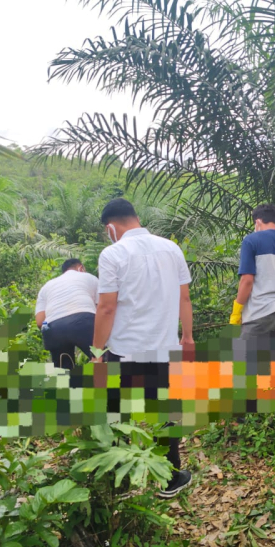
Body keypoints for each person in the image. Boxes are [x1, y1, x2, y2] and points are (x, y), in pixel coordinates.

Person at [92, 198, 194, 498]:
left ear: (111, 227)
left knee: (116, 411)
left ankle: (120, 483)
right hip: (164, 347)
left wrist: (97, 352)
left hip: (124, 350)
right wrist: (187, 337)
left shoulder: (112, 254)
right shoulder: (171, 248)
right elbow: (184, 299)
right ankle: (170, 477)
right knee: (166, 409)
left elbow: (106, 308)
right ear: (136, 218)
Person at [229, 204, 275, 338]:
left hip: (259, 315)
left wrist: (236, 312)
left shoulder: (251, 240)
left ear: (257, 222)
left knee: (244, 357)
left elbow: (247, 280)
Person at [35, 258, 99, 369]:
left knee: (63, 372)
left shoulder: (46, 287)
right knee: (104, 360)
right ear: (81, 268)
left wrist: (56, 325)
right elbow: (102, 309)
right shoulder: (89, 277)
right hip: (83, 321)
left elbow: (40, 322)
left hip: (53, 328)